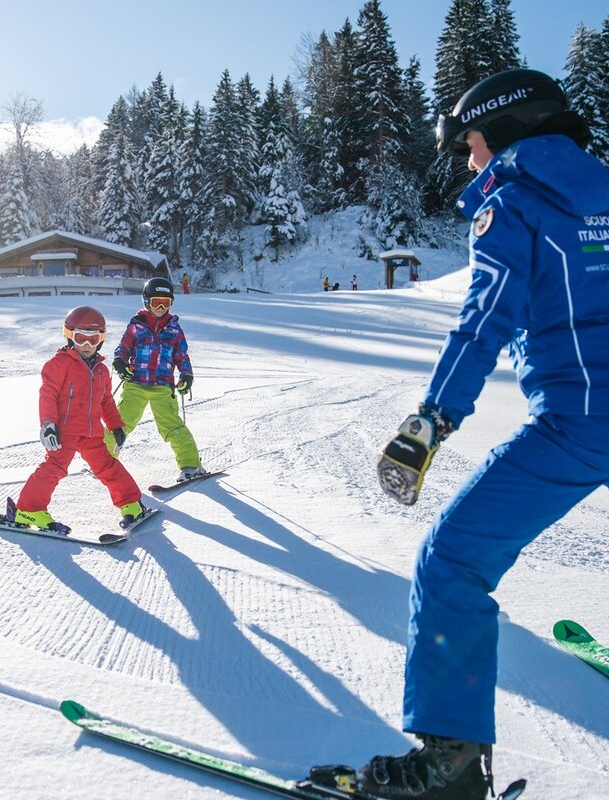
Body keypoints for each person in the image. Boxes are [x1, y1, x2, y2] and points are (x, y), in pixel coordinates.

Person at [314, 68, 609, 799]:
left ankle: (448, 767)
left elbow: (484, 323)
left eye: (471, 146)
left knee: (452, 562)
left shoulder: (515, 201)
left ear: (503, 131)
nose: (470, 163)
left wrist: (433, 420)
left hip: (584, 423)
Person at [7, 306, 146, 531]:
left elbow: (106, 402)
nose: (87, 345)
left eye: (94, 339)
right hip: (65, 433)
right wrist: (49, 425)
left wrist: (116, 426)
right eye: (81, 339)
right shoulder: (59, 364)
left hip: (92, 433)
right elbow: (48, 395)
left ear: (101, 340)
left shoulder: (101, 370)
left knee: (108, 466)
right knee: (54, 468)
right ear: (70, 336)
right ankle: (29, 511)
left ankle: (131, 503)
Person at [106, 276, 206, 482]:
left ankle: (191, 465)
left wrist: (186, 374)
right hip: (136, 384)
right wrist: (120, 363)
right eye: (156, 302)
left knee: (171, 426)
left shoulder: (175, 330)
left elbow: (181, 356)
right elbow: (123, 348)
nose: (161, 307)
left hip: (163, 386)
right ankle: (104, 459)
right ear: (146, 302)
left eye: (166, 303)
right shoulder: (136, 326)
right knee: (119, 423)